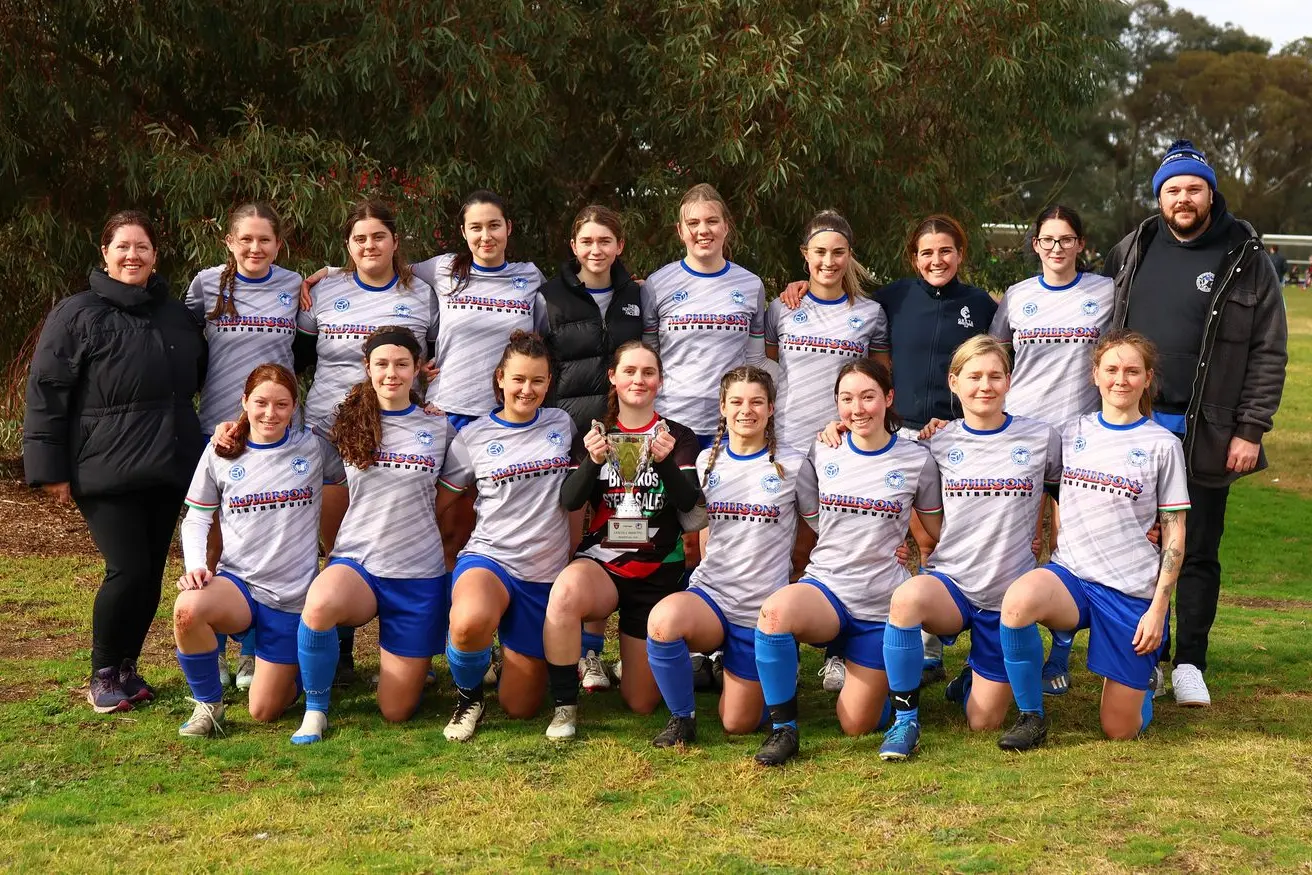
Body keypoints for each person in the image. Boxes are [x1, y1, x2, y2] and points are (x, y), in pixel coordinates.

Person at [1104, 139, 1287, 706]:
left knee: (1198, 548)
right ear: (1159, 197)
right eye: (1172, 190)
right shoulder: (1133, 248)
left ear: (1211, 192)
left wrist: (1251, 429)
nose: (1183, 199)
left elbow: (1268, 350)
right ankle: (1149, 658)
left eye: (1193, 188)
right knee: (1140, 548)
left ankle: (1190, 662)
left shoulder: (1245, 254)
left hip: (1205, 430)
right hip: (1137, 428)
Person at [782, 214, 996, 687]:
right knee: (888, 539)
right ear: (913, 258)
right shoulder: (891, 299)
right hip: (899, 434)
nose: (936, 260)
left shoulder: (980, 304)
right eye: (926, 252)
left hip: (954, 433)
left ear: (961, 254)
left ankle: (934, 638)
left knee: (935, 538)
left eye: (946, 251)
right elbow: (869, 373)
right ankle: (852, 639)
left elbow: (993, 366)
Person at [24, 210, 207, 713]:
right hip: (106, 469)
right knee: (126, 570)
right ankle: (103, 672)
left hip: (169, 463)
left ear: (155, 256)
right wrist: (50, 467)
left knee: (149, 574)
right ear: (105, 253)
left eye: (142, 247)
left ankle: (127, 666)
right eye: (122, 246)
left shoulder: (176, 314)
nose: (133, 255)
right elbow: (46, 391)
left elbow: (201, 374)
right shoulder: (77, 314)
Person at [994, 330, 1189, 750]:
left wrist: (1158, 609)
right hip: (1073, 577)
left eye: (1132, 371)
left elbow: (1175, 529)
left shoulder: (1163, 445)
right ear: (1095, 375)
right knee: (1017, 602)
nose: (1121, 379)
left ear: (1147, 379)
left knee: (1119, 730)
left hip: (1129, 589)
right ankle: (1031, 716)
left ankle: (1143, 680)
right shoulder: (1070, 433)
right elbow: (1005, 449)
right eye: (1112, 369)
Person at [875, 337, 1060, 762]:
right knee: (906, 599)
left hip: (1008, 597)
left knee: (984, 721)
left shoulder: (1040, 437)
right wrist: (920, 541)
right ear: (954, 382)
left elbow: (1068, 493)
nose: (985, 386)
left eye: (995, 375)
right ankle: (905, 721)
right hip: (953, 584)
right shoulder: (935, 443)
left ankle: (967, 680)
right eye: (974, 376)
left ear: (1009, 381)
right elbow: (892, 480)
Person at [751, 359, 942, 767]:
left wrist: (898, 541)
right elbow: (811, 513)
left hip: (879, 605)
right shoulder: (822, 449)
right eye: (847, 398)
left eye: (868, 396)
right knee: (773, 614)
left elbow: (934, 528)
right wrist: (848, 537)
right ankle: (784, 729)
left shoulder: (917, 459)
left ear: (888, 399)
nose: (858, 408)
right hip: (828, 589)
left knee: (856, 723)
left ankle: (892, 696)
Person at [288, 327, 456, 744]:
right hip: (358, 561)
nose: (391, 373)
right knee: (321, 599)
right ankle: (315, 709)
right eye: (381, 364)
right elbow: (276, 436)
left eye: (402, 364)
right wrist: (233, 431)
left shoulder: (440, 427)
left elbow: (457, 486)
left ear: (419, 368)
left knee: (396, 711)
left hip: (418, 574)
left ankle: (405, 665)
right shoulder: (343, 421)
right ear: (367, 367)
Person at [295, 199, 439, 682]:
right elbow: (299, 352)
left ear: (396, 242)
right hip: (329, 428)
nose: (369, 245)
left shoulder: (423, 293)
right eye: (359, 238)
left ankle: (407, 646)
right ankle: (340, 651)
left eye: (378, 236)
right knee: (340, 543)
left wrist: (430, 398)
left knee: (397, 533)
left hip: (400, 432)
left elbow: (435, 355)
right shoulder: (325, 288)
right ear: (347, 246)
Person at [645, 366, 817, 748]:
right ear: (722, 407)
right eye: (737, 401)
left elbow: (817, 523)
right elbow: (702, 524)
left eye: (757, 401)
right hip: (713, 595)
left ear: (771, 408)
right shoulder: (707, 460)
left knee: (737, 723)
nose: (746, 410)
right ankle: (682, 720)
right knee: (663, 621)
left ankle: (769, 664)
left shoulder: (792, 463)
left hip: (759, 610)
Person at [540, 340, 703, 740]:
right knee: (564, 594)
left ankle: (644, 662)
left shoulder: (678, 436)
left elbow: (689, 506)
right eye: (629, 371)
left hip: (657, 569)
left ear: (660, 381)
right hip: (604, 560)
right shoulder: (596, 433)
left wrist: (663, 463)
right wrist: (593, 462)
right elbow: (570, 499)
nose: (638, 380)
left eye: (648, 373)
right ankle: (564, 707)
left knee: (642, 702)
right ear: (612, 377)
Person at [172, 364, 340, 737]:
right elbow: (197, 518)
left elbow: (358, 464)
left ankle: (292, 669)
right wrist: (197, 565)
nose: (269, 413)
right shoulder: (220, 451)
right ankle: (208, 707)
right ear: (244, 401)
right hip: (240, 586)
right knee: (188, 608)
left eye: (281, 404)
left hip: (293, 596)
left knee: (264, 710)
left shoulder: (312, 448)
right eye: (260, 402)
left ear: (295, 407)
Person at [989, 204, 1115, 696]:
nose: (1057, 248)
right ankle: (1004, 639)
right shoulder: (1019, 297)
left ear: (1081, 244)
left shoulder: (1103, 291)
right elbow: (993, 356)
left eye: (1066, 239)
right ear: (1036, 245)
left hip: (1081, 436)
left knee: (1069, 546)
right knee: (1021, 541)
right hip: (1021, 435)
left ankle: (1060, 651)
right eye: (1048, 240)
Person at [766, 209, 889, 694]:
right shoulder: (783, 308)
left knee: (835, 549)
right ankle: (782, 646)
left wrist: (855, 424)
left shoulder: (870, 314)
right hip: (787, 443)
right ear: (805, 256)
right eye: (819, 252)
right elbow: (769, 369)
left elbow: (878, 381)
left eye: (838, 252)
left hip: (843, 447)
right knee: (785, 550)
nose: (829, 261)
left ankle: (839, 653)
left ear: (849, 255)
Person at [185, 202, 304, 690]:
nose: (255, 248)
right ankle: (213, 642)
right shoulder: (206, 285)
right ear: (229, 243)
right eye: (246, 240)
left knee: (268, 533)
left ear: (278, 244)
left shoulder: (296, 286)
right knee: (216, 537)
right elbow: (182, 338)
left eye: (265, 240)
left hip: (275, 426)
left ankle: (256, 648)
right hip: (219, 426)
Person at [437, 331, 575, 742]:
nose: (526, 389)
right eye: (518, 379)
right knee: (468, 621)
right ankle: (469, 697)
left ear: (549, 382)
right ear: (500, 378)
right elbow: (441, 499)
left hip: (543, 572)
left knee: (520, 706)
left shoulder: (562, 424)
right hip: (491, 557)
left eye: (537, 380)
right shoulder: (474, 436)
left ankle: (501, 658)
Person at [538, 204, 648, 692]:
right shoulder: (549, 297)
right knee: (570, 539)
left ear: (619, 246)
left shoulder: (637, 295)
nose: (596, 250)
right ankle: (576, 651)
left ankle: (610, 651)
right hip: (570, 431)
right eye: (587, 242)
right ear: (573, 246)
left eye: (606, 241)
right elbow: (537, 360)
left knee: (621, 535)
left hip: (626, 433)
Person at [642, 183, 767, 450]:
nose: (703, 230)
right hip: (670, 422)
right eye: (693, 223)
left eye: (712, 221)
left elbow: (756, 361)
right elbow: (649, 360)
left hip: (731, 424)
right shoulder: (657, 284)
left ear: (726, 227)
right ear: (680, 231)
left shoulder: (751, 284)